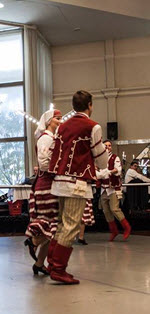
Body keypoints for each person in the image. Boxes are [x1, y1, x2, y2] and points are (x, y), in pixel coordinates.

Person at [48, 90, 108, 284]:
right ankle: (58, 268)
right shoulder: (93, 126)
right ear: (90, 105)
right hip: (77, 183)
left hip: (59, 182)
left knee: (61, 224)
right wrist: (102, 165)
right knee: (72, 225)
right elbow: (100, 156)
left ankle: (52, 263)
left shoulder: (62, 126)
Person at [24, 109, 62, 275]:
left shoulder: (51, 138)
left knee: (52, 226)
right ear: (48, 122)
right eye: (57, 119)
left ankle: (39, 264)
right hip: (46, 185)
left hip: (49, 184)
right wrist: (59, 170)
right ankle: (33, 240)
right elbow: (44, 163)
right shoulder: (45, 138)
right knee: (52, 225)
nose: (60, 121)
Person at [96, 140, 131, 241]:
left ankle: (127, 227)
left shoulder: (115, 157)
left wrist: (108, 172)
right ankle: (114, 231)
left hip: (113, 188)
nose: (108, 147)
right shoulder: (99, 159)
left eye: (109, 145)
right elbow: (97, 169)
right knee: (106, 211)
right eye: (106, 146)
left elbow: (118, 170)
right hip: (103, 188)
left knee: (114, 209)